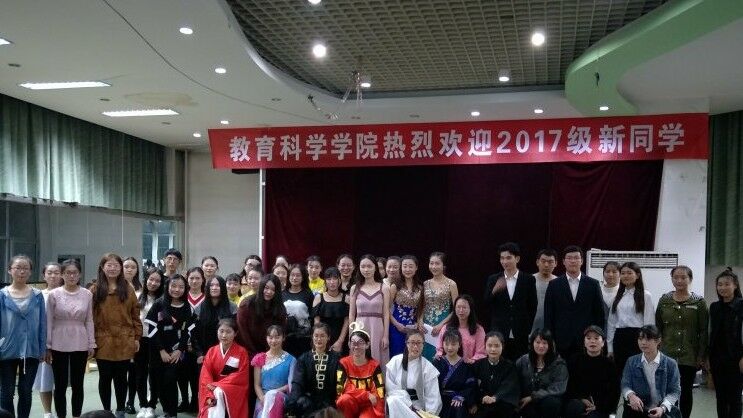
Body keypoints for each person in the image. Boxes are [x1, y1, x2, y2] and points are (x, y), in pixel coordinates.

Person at [91, 253, 142, 418]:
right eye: (109, 265)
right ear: (102, 267)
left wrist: (137, 337)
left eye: (116, 265)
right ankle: (106, 411)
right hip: (102, 340)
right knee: (104, 378)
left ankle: (120, 410)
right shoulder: (95, 289)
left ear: (120, 268)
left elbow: (135, 315)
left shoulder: (128, 288)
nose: (112, 268)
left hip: (124, 340)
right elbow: (89, 317)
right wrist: (91, 340)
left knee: (121, 378)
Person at [654, 266, 707, 418]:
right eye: (675, 277)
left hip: (689, 355)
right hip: (667, 353)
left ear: (690, 279)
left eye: (683, 277)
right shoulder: (664, 300)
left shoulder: (699, 303)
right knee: (668, 390)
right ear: (672, 279)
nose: (679, 280)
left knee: (685, 390)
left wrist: (701, 356)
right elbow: (658, 327)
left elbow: (704, 331)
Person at [47, 259, 96, 418]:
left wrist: (91, 343)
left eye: (75, 272)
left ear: (80, 274)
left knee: (77, 384)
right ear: (62, 274)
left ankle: (76, 415)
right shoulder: (54, 294)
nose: (72, 276)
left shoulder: (87, 294)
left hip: (80, 341)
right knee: (60, 385)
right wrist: (48, 345)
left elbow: (89, 320)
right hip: (58, 341)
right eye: (68, 272)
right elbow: (49, 321)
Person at [145, 274, 198, 418]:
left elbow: (187, 331)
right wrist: (161, 351)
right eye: (173, 286)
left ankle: (172, 413)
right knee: (159, 381)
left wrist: (180, 350)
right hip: (158, 351)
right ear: (167, 286)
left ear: (185, 289)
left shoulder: (187, 307)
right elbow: (152, 329)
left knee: (170, 380)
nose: (177, 289)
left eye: (181, 287)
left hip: (176, 353)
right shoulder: (159, 304)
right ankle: (167, 411)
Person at [0, 255, 47, 418]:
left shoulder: (37, 295)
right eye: (18, 268)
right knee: (6, 392)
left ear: (30, 272)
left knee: (26, 391)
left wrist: (42, 348)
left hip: (31, 349)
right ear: (9, 270)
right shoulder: (2, 295)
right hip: (6, 349)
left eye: (25, 268)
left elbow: (42, 323)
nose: (22, 271)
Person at [543, 245, 605, 360]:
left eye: (576, 258)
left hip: (586, 340)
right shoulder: (554, 285)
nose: (573, 261)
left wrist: (598, 339)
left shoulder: (593, 284)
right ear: (563, 262)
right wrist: (550, 340)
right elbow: (549, 315)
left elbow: (599, 314)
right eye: (569, 258)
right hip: (561, 340)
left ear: (582, 261)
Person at [484, 242, 537, 360]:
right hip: (499, 330)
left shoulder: (528, 279)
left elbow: (533, 305)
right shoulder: (494, 279)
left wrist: (527, 327)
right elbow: (486, 303)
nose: (504, 261)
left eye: (508, 258)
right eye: (502, 258)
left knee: (519, 362)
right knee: (500, 362)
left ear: (517, 259)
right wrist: (494, 291)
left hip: (520, 330)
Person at [621, 325, 681, 418]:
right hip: (639, 409)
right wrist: (631, 396)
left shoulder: (671, 364)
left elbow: (675, 391)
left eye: (648, 339)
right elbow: (625, 384)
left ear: (658, 341)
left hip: (662, 410)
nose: (643, 342)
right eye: (640, 339)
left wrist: (662, 408)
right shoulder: (631, 361)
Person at [607, 262, 655, 376]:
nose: (625, 276)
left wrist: (648, 344)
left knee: (638, 373)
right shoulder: (617, 296)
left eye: (629, 273)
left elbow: (649, 322)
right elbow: (611, 323)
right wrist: (610, 348)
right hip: (620, 338)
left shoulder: (645, 295)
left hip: (638, 337)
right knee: (621, 373)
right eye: (623, 273)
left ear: (637, 275)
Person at [708, 267, 743, 418]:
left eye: (727, 284)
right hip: (717, 359)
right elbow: (711, 333)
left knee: (735, 398)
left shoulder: (741, 305)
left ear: (735, 285)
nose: (722, 287)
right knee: (720, 397)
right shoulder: (714, 307)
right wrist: (708, 358)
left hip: (737, 359)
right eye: (719, 284)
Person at [286, 323, 340, 417]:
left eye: (322, 336)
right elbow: (298, 383)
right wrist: (292, 402)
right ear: (312, 337)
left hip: (329, 400)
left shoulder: (336, 358)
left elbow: (340, 383)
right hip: (309, 399)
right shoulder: (304, 359)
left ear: (328, 337)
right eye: (316, 336)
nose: (319, 339)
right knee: (301, 403)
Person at [564, 326, 620, 418]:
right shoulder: (575, 360)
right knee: (574, 407)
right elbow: (569, 386)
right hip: (578, 402)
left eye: (596, 338)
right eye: (588, 338)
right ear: (584, 342)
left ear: (603, 343)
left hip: (601, 407)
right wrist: (581, 399)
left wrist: (598, 406)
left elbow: (614, 392)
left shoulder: (609, 365)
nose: (592, 341)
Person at [198, 318, 249, 418]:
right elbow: (205, 374)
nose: (224, 335)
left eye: (228, 332)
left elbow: (241, 376)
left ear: (235, 333)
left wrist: (219, 385)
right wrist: (211, 387)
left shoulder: (242, 352)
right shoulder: (211, 351)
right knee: (214, 395)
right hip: (212, 388)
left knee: (219, 391)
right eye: (221, 331)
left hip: (234, 389)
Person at [385, 330, 442, 417]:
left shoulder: (428, 368)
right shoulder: (395, 362)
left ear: (423, 345)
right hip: (399, 406)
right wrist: (407, 403)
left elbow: (433, 396)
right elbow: (391, 389)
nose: (415, 346)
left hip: (419, 412)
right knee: (393, 400)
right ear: (406, 343)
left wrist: (429, 414)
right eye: (412, 343)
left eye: (419, 343)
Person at [514, 329, 568, 418]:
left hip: (546, 399)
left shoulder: (559, 364)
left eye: (544, 343)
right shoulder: (523, 361)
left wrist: (533, 397)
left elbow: (558, 388)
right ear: (532, 343)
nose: (541, 346)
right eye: (538, 342)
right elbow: (514, 381)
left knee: (552, 403)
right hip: (525, 399)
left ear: (550, 344)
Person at [335, 322, 385, 418]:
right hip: (351, 402)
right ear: (349, 344)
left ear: (367, 345)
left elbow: (379, 392)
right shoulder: (343, 363)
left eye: (360, 342)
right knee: (343, 399)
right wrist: (366, 394)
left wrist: (373, 401)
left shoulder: (374, 365)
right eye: (353, 343)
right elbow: (343, 387)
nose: (356, 346)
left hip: (368, 405)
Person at [348, 254, 390, 366]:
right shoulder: (355, 288)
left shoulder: (384, 288)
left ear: (375, 268)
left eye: (369, 266)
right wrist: (351, 336)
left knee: (377, 358)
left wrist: (385, 336)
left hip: (377, 328)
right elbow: (351, 315)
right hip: (359, 328)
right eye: (363, 266)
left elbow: (386, 314)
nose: (366, 270)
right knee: (359, 358)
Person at [134, 267, 164, 418]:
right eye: (151, 279)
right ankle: (142, 405)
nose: (153, 283)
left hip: (157, 341)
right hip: (141, 340)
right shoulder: (137, 296)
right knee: (140, 373)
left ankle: (152, 405)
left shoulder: (163, 299)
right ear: (146, 280)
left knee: (154, 373)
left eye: (157, 281)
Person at [34, 262, 62, 418]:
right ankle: (47, 412)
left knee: (60, 380)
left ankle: (60, 412)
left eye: (57, 272)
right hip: (43, 342)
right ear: (44, 275)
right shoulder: (37, 295)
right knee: (45, 378)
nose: (53, 275)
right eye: (49, 272)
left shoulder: (66, 293)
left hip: (63, 342)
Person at [469, 331, 519, 418]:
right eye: (490, 345)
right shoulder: (477, 365)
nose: (493, 349)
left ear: (502, 346)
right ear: (485, 346)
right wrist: (477, 400)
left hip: (502, 404)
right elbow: (472, 386)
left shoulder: (510, 367)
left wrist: (495, 397)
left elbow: (508, 387)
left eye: (497, 346)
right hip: (482, 403)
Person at [252, 325, 296, 418]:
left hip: (281, 397)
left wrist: (273, 393)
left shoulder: (291, 360)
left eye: (277, 337)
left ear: (283, 338)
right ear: (266, 338)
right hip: (262, 398)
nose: (273, 341)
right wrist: (263, 398)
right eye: (270, 337)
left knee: (273, 396)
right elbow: (257, 384)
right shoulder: (260, 358)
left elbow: (291, 384)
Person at [237, 275, 288, 354]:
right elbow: (243, 332)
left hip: (271, 351)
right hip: (248, 350)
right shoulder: (247, 304)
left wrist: (269, 353)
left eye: (273, 289)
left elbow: (281, 332)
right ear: (261, 287)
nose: (269, 292)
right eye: (266, 288)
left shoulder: (279, 307)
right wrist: (254, 353)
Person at [180, 267, 207, 413]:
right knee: (182, 374)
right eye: (191, 278)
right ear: (187, 279)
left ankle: (195, 400)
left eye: (197, 278)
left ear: (203, 280)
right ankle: (184, 400)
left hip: (199, 346)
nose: (194, 281)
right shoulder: (181, 298)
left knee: (196, 375)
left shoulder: (206, 299)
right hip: (181, 344)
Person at [422, 252, 458, 360]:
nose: (433, 266)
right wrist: (420, 322)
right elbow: (421, 307)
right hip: (426, 327)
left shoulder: (451, 284)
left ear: (443, 265)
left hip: (443, 325)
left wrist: (441, 325)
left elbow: (456, 309)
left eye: (437, 263)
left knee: (439, 357)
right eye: (431, 263)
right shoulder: (425, 284)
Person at [432, 329, 476, 418]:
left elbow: (470, 386)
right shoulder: (437, 362)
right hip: (438, 399)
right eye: (447, 344)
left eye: (453, 344)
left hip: (457, 400)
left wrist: (461, 396)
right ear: (442, 343)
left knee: (457, 407)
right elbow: (430, 385)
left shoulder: (466, 364)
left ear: (459, 344)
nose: (449, 347)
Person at [389, 255, 425, 357]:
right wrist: (396, 324)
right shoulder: (395, 286)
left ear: (416, 268)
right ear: (401, 268)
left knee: (412, 355)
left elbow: (421, 308)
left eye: (410, 266)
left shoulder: (420, 287)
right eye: (405, 266)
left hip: (413, 327)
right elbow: (386, 309)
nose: (407, 269)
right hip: (397, 327)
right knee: (397, 355)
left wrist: (420, 321)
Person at [194, 276, 238, 359]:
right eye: (211, 285)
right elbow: (195, 334)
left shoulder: (232, 307)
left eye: (218, 285)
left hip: (227, 352)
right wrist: (199, 353)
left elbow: (235, 331)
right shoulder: (199, 308)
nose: (214, 288)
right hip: (204, 353)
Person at [436, 295, 486, 363]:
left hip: (470, 366)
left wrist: (472, 361)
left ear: (470, 309)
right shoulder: (446, 328)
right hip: (448, 365)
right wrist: (439, 356)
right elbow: (439, 349)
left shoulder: (478, 330)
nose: (461, 310)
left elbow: (481, 352)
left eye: (464, 307)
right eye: (458, 307)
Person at [122, 257, 143, 415]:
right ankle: (122, 403)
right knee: (121, 372)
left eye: (133, 267)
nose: (129, 269)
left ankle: (131, 401)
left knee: (135, 372)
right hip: (120, 336)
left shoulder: (141, 289)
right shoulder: (116, 288)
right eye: (126, 266)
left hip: (137, 335)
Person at [313, 267, 350, 354]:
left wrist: (340, 341)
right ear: (325, 281)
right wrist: (321, 340)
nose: (332, 282)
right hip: (321, 340)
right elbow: (316, 322)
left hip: (341, 339)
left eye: (335, 278)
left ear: (339, 281)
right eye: (329, 279)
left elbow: (347, 322)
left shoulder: (346, 298)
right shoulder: (319, 297)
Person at [283, 264, 314, 357]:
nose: (294, 278)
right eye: (292, 275)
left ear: (303, 277)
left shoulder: (308, 295)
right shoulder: (282, 294)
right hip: (286, 337)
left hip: (304, 338)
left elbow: (312, 316)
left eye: (298, 275)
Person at [532, 249, 557, 332]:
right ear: (537, 262)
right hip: (531, 328)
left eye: (550, 262)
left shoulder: (560, 283)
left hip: (553, 328)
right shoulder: (528, 281)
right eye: (543, 261)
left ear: (556, 263)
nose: (546, 265)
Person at [600, 261, 621, 326]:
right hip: (599, 329)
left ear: (620, 274)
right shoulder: (597, 291)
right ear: (603, 274)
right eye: (607, 271)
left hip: (618, 329)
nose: (610, 274)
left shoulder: (624, 293)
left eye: (614, 272)